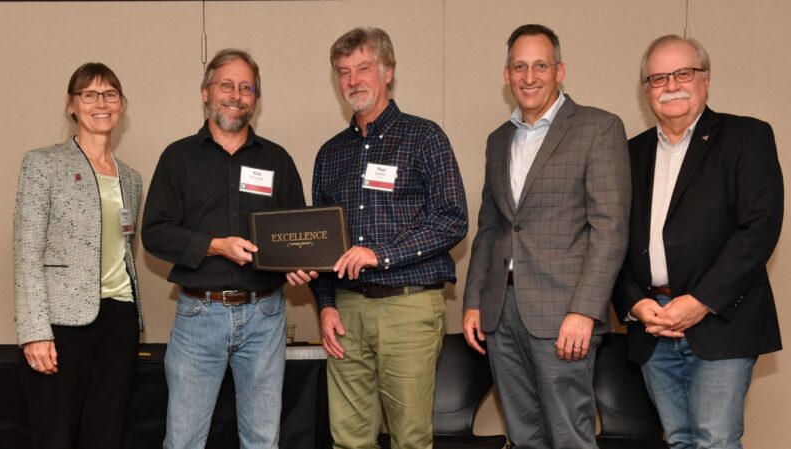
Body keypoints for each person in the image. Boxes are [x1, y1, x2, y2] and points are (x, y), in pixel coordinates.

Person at [292, 27, 468, 449]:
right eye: (344, 71)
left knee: (410, 438)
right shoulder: (330, 153)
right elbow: (322, 242)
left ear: (388, 72)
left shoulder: (426, 137)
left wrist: (380, 254)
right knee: (349, 439)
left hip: (408, 307)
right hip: (347, 313)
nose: (354, 80)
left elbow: (452, 220)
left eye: (364, 68)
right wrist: (327, 305)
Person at [462, 24, 631, 448]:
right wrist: (473, 303)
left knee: (569, 434)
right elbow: (491, 228)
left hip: (563, 314)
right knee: (522, 434)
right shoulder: (499, 140)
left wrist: (585, 311)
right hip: (501, 313)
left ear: (560, 70)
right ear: (506, 74)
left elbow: (610, 230)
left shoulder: (599, 128)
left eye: (540, 65)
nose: (529, 76)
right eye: (519, 66)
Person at [613, 34, 783, 449]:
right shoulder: (627, 153)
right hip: (651, 322)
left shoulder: (747, 137)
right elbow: (610, 236)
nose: (670, 85)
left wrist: (700, 301)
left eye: (683, 73)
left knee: (715, 441)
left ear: (705, 79)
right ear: (646, 90)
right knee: (678, 439)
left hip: (721, 319)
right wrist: (633, 302)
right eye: (657, 78)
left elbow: (758, 229)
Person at [141, 48, 306, 449]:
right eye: (226, 85)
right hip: (200, 314)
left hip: (266, 316)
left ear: (256, 98)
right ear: (205, 92)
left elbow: (298, 232)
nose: (236, 94)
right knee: (183, 440)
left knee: (263, 440)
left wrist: (299, 265)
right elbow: (154, 233)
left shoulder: (277, 160)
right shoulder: (178, 157)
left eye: (246, 87)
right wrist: (214, 246)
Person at [13, 63, 144, 449]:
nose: (100, 103)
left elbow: (125, 248)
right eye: (89, 94)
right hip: (61, 322)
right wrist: (35, 333)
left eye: (110, 94)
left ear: (121, 105)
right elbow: (26, 252)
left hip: (119, 318)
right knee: (54, 434)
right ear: (72, 105)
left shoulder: (132, 178)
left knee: (107, 433)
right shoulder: (42, 164)